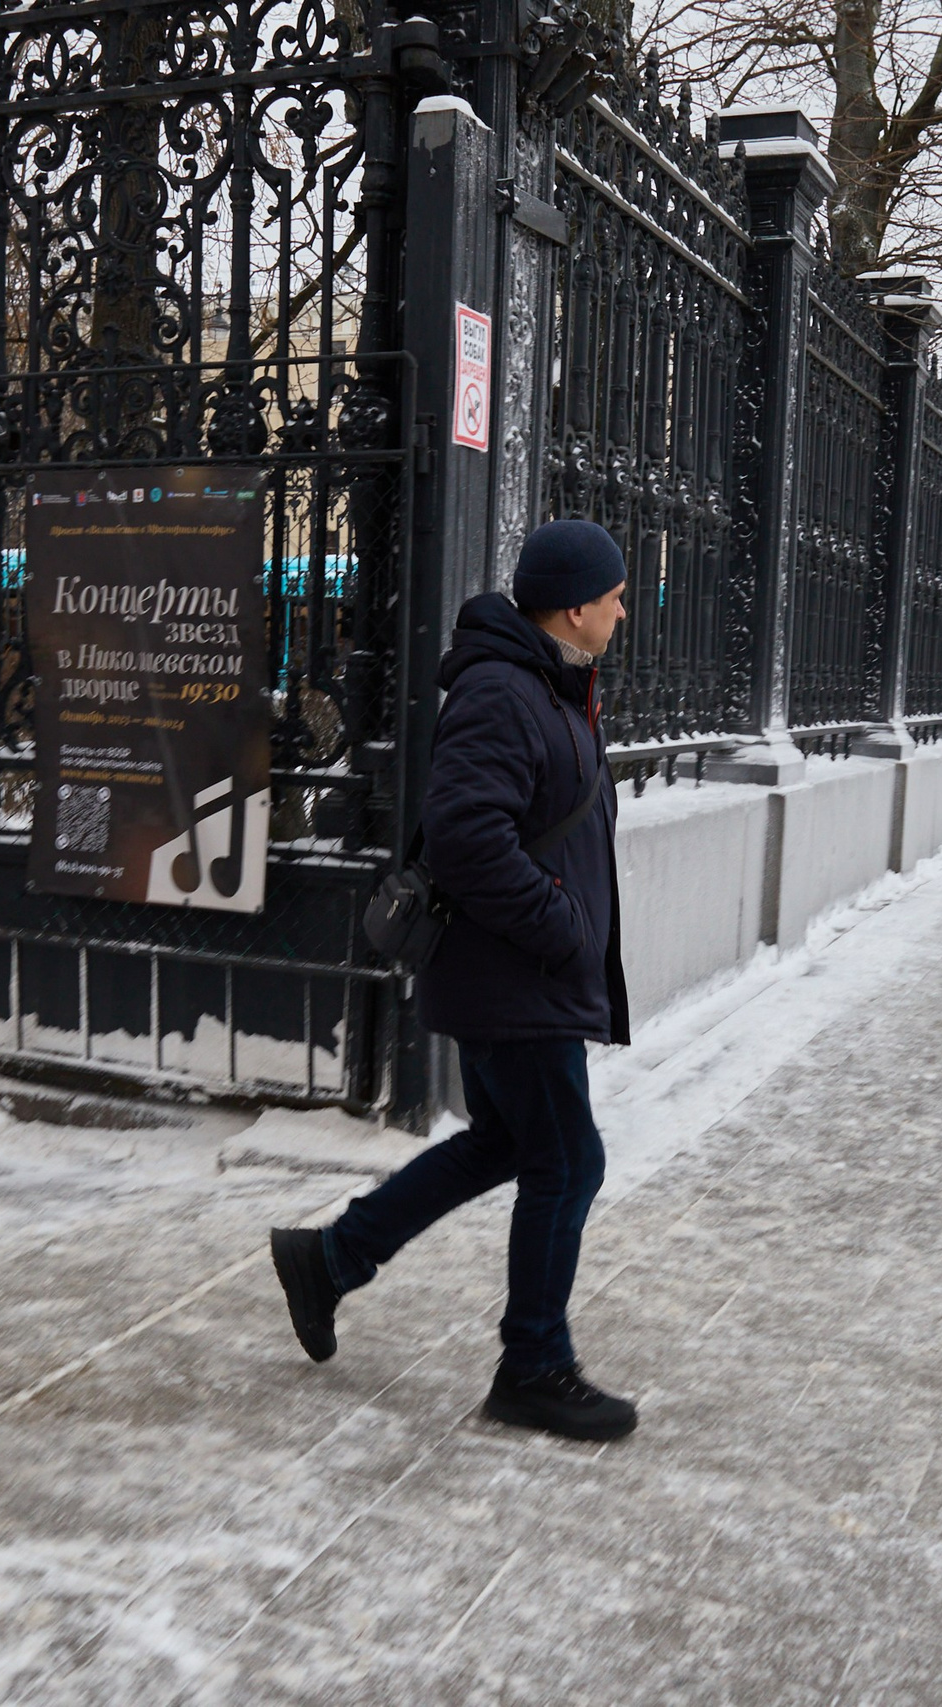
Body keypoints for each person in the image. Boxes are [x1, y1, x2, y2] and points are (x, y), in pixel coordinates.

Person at [269, 519, 637, 1443]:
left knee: (505, 1144)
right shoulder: (504, 693)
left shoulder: (546, 686)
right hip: (518, 974)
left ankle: (331, 1258)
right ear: (575, 605)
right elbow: (470, 836)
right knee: (568, 1160)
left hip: (522, 973)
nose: (624, 609)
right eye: (616, 594)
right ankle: (534, 1364)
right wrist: (561, 932)